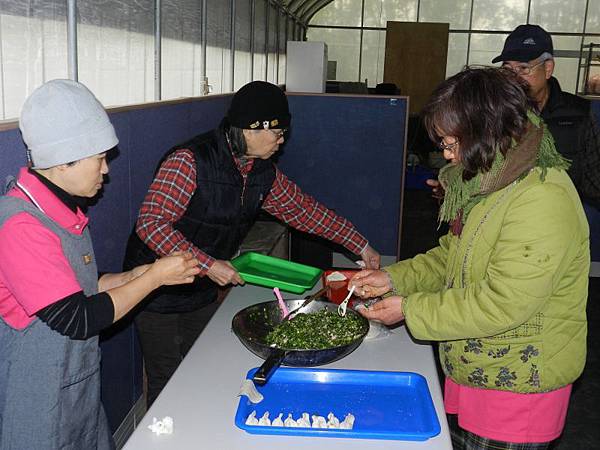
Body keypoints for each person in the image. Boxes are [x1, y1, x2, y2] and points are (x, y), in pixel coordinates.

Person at [351, 67, 589, 449]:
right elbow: (453, 256)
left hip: (518, 383)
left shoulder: (541, 199)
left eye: (450, 143)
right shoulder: (489, 181)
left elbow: (504, 301)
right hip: (478, 363)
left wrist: (410, 310)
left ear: (486, 131)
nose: (445, 154)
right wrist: (395, 279)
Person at [123, 80, 381, 406]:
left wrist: (361, 245)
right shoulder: (190, 161)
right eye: (277, 132)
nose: (282, 140)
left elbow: (304, 210)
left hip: (199, 287)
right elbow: (152, 223)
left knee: (200, 366)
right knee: (167, 377)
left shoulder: (259, 171)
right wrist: (208, 264)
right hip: (154, 288)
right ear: (249, 129)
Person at [0, 80, 201, 450]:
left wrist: (132, 276)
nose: (106, 170)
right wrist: (154, 279)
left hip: (75, 391)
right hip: (36, 399)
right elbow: (78, 317)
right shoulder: (20, 226)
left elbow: (79, 285)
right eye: (99, 159)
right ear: (65, 160)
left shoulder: (62, 210)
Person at [428, 24, 600, 212]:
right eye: (508, 69)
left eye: (523, 68)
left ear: (548, 68)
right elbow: (476, 163)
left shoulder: (581, 113)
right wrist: (452, 186)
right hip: (502, 210)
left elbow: (594, 182)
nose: (514, 77)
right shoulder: (497, 113)